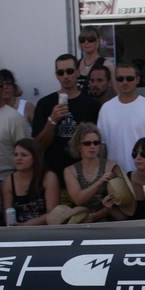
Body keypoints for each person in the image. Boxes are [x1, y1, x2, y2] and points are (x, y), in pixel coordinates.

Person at [32, 54, 101, 194]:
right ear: (56, 75)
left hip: (85, 177)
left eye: (69, 71)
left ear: (78, 72)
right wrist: (52, 120)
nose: (65, 76)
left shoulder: (92, 105)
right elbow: (40, 147)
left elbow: (99, 144)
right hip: (54, 177)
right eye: (60, 72)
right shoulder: (45, 104)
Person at [98, 63, 145, 173]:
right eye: (120, 78)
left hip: (144, 175)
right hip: (115, 177)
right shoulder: (106, 109)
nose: (125, 82)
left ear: (137, 80)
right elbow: (102, 147)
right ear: (115, 81)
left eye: (129, 78)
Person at [63, 123, 125, 222]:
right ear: (78, 146)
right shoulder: (70, 170)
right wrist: (99, 182)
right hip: (81, 221)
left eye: (96, 143)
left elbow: (118, 201)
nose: (92, 146)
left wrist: (96, 216)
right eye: (87, 143)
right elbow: (78, 200)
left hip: (106, 220)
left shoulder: (110, 166)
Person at [2, 138, 59, 225]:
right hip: (17, 230)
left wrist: (26, 225)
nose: (18, 158)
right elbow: (7, 217)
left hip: (44, 229)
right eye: (16, 155)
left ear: (35, 158)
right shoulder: (8, 182)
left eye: (24, 155)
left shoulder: (48, 178)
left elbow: (52, 213)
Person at [76, 26, 115, 97]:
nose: (86, 42)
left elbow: (116, 92)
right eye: (82, 40)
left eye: (91, 39)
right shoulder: (76, 64)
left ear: (98, 41)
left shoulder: (107, 65)